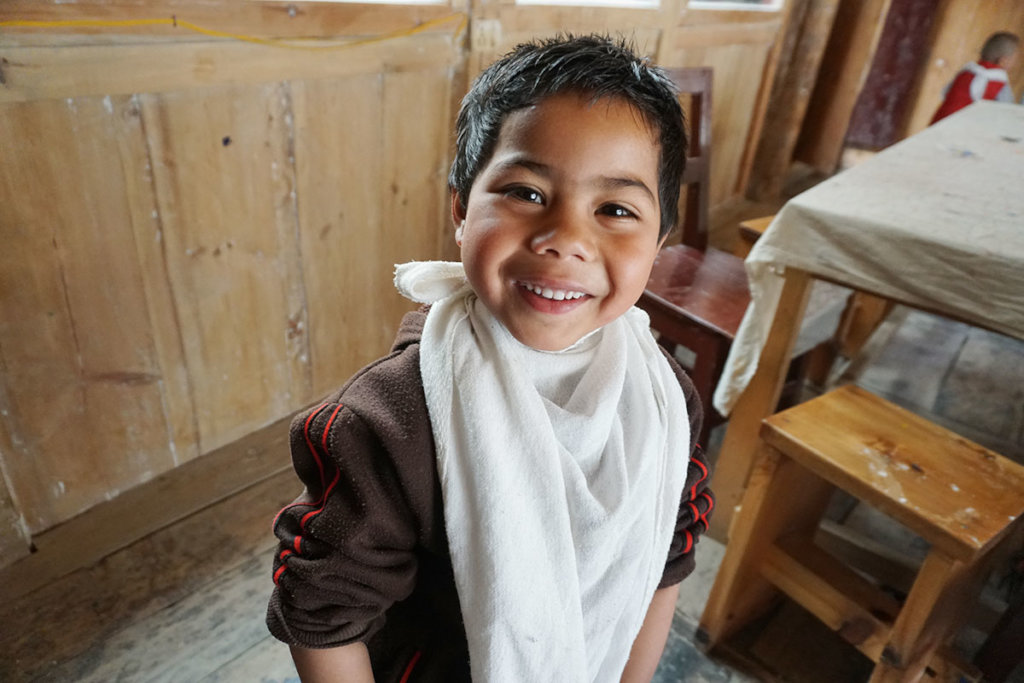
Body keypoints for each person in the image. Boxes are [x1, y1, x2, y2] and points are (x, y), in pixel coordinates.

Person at [266, 34, 714, 683]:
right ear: (460, 209)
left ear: (659, 243)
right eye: (527, 192)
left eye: (615, 209)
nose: (565, 239)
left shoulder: (665, 398)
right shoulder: (389, 423)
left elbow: (667, 556)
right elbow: (321, 613)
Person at [931, 31, 1020, 124]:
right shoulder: (999, 83)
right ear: (1003, 61)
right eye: (1014, 59)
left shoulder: (966, 72)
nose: (1016, 63)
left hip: (936, 127)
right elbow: (1007, 115)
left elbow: (946, 94)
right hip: (961, 133)